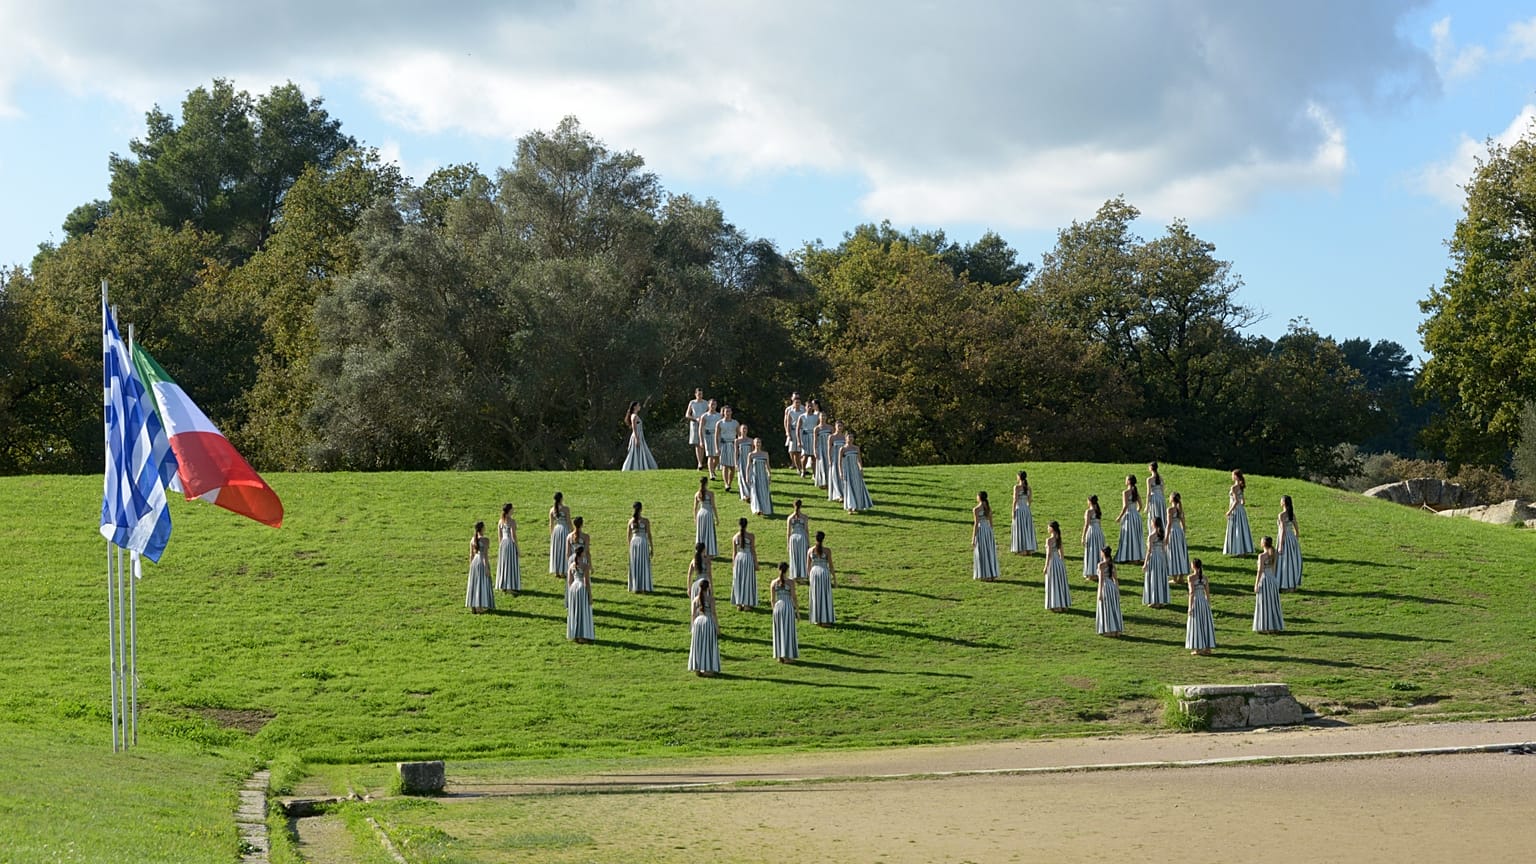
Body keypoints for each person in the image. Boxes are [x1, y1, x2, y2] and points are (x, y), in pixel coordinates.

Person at [687, 577, 721, 676]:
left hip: (698, 622)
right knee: (708, 644)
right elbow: (714, 613)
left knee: (698, 644)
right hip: (708, 621)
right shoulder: (711, 599)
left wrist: (693, 626)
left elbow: (693, 614)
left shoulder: (695, 600)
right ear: (708, 587)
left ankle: (697, 667)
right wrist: (717, 628)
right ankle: (707, 669)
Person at [1252, 536, 1284, 634]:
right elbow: (1274, 568)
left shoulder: (1262, 556)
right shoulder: (1274, 554)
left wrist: (1256, 584)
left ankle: (1266, 626)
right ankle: (1274, 626)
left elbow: (1260, 571)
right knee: (1273, 603)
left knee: (1264, 603)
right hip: (1272, 579)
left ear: (1263, 544)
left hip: (1265, 579)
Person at [1185, 558, 1216, 655]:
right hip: (1204, 602)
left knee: (1197, 623)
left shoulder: (1191, 578)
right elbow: (1207, 593)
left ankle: (1198, 648)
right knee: (1205, 623)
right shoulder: (1205, 578)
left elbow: (1191, 593)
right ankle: (1207, 648)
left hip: (1196, 602)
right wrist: (1208, 604)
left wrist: (1190, 607)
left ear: (1193, 566)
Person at [770, 562, 799, 662]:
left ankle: (780, 656)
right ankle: (786, 656)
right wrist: (797, 611)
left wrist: (774, 610)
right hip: (787, 606)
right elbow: (794, 597)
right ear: (787, 570)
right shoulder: (790, 582)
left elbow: (772, 600)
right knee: (787, 630)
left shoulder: (773, 583)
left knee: (779, 630)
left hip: (777, 607)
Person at [566, 543, 594, 643]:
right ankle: (582, 635)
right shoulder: (585, 566)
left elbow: (569, 581)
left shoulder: (571, 566)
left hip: (573, 588)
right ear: (582, 554)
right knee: (582, 611)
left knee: (575, 611)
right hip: (581, 588)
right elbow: (587, 582)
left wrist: (570, 593)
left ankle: (575, 634)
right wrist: (590, 595)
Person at [839, 431, 873, 513]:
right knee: (849, 488)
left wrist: (861, 468)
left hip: (855, 470)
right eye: (849, 437)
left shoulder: (856, 448)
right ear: (845, 438)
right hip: (847, 470)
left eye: (852, 437)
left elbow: (859, 460)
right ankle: (849, 508)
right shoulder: (842, 449)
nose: (850, 439)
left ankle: (856, 506)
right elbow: (839, 462)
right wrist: (840, 472)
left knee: (857, 487)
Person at [1115, 474, 1145, 564]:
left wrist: (1119, 517)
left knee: (1129, 536)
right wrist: (1136, 512)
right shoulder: (1136, 492)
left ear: (1128, 481)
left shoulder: (1126, 492)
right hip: (1136, 516)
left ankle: (1130, 557)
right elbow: (1140, 505)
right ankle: (1136, 557)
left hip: (1129, 516)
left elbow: (1125, 506)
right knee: (1136, 536)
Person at [808, 531, 836, 626]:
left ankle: (817, 619)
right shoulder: (827, 550)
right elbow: (831, 566)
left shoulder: (810, 550)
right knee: (825, 595)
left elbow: (808, 567)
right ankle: (825, 620)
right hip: (824, 572)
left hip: (814, 573)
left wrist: (810, 577)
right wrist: (835, 579)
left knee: (815, 595)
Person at [1275, 495, 1303, 591]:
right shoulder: (1292, 514)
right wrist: (1295, 539)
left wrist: (1280, 545)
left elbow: (1282, 530)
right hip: (1291, 539)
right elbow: (1297, 530)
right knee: (1292, 561)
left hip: (1285, 538)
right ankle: (1292, 585)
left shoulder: (1281, 515)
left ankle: (1285, 585)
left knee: (1284, 562)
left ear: (1284, 502)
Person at [1224, 469, 1255, 556]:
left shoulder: (1233, 487)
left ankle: (1238, 550)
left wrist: (1229, 511)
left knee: (1237, 529)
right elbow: (1243, 501)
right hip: (1241, 510)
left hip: (1236, 510)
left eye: (1233, 475)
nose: (1232, 476)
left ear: (1236, 477)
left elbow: (1236, 501)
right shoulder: (1241, 486)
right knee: (1242, 529)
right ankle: (1243, 550)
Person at [1142, 516, 1171, 608]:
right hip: (1161, 557)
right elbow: (1164, 549)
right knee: (1160, 578)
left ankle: (1155, 601)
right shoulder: (1162, 534)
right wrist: (1166, 560)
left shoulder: (1151, 536)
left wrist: (1145, 563)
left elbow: (1149, 551)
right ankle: (1161, 600)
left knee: (1154, 578)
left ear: (1153, 524)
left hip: (1154, 558)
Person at [621, 401, 658, 471]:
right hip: (637, 436)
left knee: (640, 451)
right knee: (634, 452)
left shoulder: (635, 415)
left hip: (640, 436)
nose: (639, 407)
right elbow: (634, 427)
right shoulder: (634, 416)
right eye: (638, 405)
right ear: (635, 407)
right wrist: (636, 438)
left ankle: (641, 466)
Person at [466, 521, 494, 613]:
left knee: (475, 583)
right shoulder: (485, 540)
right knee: (481, 583)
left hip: (474, 562)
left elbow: (471, 555)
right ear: (482, 528)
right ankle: (479, 607)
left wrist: (471, 566)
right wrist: (486, 568)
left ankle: (474, 606)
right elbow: (485, 555)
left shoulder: (472, 539)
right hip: (481, 562)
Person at [972, 491, 1000, 581]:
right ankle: (992, 574)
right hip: (988, 530)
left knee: (982, 552)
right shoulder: (988, 508)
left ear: (979, 497)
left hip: (981, 531)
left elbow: (976, 524)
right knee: (989, 552)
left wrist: (973, 538)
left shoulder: (976, 509)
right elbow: (991, 523)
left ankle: (985, 575)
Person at [1043, 520, 1071, 611]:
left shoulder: (1049, 540)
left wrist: (1046, 566)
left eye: (1048, 527)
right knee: (1060, 582)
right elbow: (1062, 552)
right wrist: (1061, 562)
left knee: (1053, 583)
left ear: (1052, 528)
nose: (1047, 528)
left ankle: (1056, 605)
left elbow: (1049, 554)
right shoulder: (1058, 538)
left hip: (1052, 562)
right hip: (1059, 562)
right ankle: (1063, 605)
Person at [731, 518, 758, 610]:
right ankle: (746, 604)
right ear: (746, 525)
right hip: (748, 558)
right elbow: (753, 551)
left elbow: (734, 553)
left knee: (738, 579)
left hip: (738, 558)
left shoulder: (735, 537)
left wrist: (733, 564)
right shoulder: (751, 536)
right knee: (747, 580)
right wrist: (756, 563)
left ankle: (739, 603)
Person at [1095, 546, 1123, 637]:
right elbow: (1116, 579)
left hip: (1105, 587)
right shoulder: (1112, 564)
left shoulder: (1101, 565)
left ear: (1103, 553)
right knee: (1113, 607)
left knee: (1106, 608)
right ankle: (1116, 631)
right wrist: (1117, 591)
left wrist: (1099, 593)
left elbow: (1101, 580)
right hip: (1112, 587)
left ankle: (1109, 631)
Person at [627, 501, 653, 593]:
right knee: (643, 564)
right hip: (643, 542)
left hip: (634, 543)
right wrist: (652, 547)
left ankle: (635, 586)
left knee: (635, 564)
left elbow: (628, 537)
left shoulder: (630, 521)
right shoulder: (645, 521)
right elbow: (649, 534)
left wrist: (629, 547)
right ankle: (643, 586)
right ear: (641, 509)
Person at [1166, 492, 1191, 584]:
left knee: (1173, 553)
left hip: (1173, 532)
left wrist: (1166, 537)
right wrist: (1182, 533)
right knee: (1181, 553)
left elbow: (1169, 524)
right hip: (1179, 532)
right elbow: (1183, 524)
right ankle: (1181, 577)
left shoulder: (1170, 510)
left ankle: (1175, 577)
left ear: (1172, 499)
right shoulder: (1180, 510)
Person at [1010, 470, 1037, 555]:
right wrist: (1027, 507)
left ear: (1019, 477)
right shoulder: (1028, 488)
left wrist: (1013, 511)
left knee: (1020, 528)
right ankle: (1029, 549)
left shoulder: (1017, 487)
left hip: (1019, 509)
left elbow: (1015, 500)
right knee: (1026, 528)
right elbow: (1030, 500)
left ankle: (1022, 549)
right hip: (1026, 509)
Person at [495, 503, 520, 595]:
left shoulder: (500, 521)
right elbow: (514, 536)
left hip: (503, 544)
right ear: (509, 510)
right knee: (510, 564)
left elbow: (500, 536)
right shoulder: (512, 521)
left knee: (504, 564)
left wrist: (501, 546)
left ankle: (503, 585)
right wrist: (517, 548)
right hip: (510, 543)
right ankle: (509, 587)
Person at [716, 406, 741, 491]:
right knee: (724, 466)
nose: (728, 413)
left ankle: (729, 483)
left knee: (732, 467)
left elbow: (739, 435)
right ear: (723, 413)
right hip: (723, 445)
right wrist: (717, 448)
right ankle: (726, 484)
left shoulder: (735, 423)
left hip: (733, 444)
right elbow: (716, 436)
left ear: (731, 412)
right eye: (726, 411)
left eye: (729, 411)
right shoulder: (719, 423)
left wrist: (739, 446)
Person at [747, 438, 774, 516]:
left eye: (759, 442)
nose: (758, 444)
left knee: (764, 492)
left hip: (763, 475)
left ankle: (765, 508)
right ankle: (757, 508)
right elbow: (748, 466)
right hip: (755, 475)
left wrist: (769, 475)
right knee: (755, 491)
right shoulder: (751, 454)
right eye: (756, 442)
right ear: (754, 444)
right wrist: (747, 476)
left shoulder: (765, 454)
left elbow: (767, 466)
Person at [684, 388, 710, 470]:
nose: (700, 396)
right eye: (698, 394)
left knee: (702, 443)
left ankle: (702, 463)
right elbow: (687, 415)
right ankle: (699, 463)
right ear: (695, 394)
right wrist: (695, 419)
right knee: (697, 444)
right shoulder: (692, 402)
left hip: (704, 424)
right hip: (695, 424)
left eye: (701, 394)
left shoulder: (706, 403)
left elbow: (709, 413)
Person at [698, 398, 723, 480]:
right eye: (711, 404)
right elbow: (700, 429)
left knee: (717, 456)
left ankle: (713, 469)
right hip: (708, 435)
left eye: (714, 404)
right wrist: (701, 441)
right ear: (708, 405)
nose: (713, 406)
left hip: (717, 436)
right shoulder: (704, 416)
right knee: (710, 456)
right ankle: (711, 473)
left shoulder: (719, 416)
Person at [786, 500, 810, 583]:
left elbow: (788, 533)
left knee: (794, 556)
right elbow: (806, 530)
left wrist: (788, 544)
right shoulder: (804, 517)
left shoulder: (790, 518)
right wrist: (808, 542)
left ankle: (794, 574)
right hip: (802, 537)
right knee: (802, 556)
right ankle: (802, 575)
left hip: (793, 538)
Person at [1082, 495, 1106, 579]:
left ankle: (1092, 573)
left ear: (1090, 501)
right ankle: (1097, 572)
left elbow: (1086, 525)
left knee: (1092, 551)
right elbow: (1099, 523)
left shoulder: (1089, 512)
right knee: (1097, 551)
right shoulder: (1098, 510)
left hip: (1092, 532)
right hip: (1099, 532)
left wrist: (1083, 536)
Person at [548, 492, 572, 577]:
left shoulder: (552, 510)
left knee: (557, 549)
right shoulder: (566, 509)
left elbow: (551, 524)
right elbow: (569, 522)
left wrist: (552, 534)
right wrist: (572, 531)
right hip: (564, 529)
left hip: (556, 530)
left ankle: (557, 571)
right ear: (561, 498)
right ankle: (563, 570)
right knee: (564, 549)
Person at [694, 476, 718, 557]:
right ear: (707, 483)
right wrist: (717, 518)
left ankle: (700, 551)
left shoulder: (697, 494)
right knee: (709, 532)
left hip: (700, 514)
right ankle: (709, 551)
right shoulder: (710, 494)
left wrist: (695, 518)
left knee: (701, 532)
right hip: (708, 513)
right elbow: (713, 506)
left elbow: (695, 508)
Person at [783, 393, 806, 476]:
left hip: (802, 430)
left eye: (798, 398)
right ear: (792, 399)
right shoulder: (789, 410)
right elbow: (786, 422)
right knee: (793, 450)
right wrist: (787, 432)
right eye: (795, 398)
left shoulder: (804, 408)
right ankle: (797, 467)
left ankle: (802, 467)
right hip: (792, 431)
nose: (797, 401)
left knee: (801, 451)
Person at [797, 399, 820, 478]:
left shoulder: (816, 417)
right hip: (805, 436)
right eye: (808, 406)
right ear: (805, 407)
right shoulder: (802, 416)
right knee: (805, 455)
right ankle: (803, 471)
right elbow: (798, 429)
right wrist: (799, 441)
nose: (809, 408)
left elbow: (818, 427)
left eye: (811, 406)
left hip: (813, 436)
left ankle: (814, 474)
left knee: (814, 456)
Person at [826, 421, 848, 502]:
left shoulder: (845, 437)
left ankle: (845, 493)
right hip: (835, 458)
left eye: (841, 426)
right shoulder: (831, 437)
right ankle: (838, 494)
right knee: (835, 475)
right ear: (835, 426)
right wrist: (829, 459)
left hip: (843, 459)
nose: (839, 427)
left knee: (843, 476)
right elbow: (829, 448)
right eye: (838, 426)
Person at [812, 412, 834, 488]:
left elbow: (833, 438)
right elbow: (815, 440)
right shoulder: (817, 428)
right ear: (819, 417)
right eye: (822, 416)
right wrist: (815, 450)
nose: (823, 417)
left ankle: (830, 481)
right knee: (821, 464)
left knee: (829, 464)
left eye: (824, 416)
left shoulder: (830, 428)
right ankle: (822, 481)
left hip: (829, 447)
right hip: (821, 448)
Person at [1145, 461, 1167, 534]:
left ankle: (1154, 533)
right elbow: (1163, 490)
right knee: (1161, 515)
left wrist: (1147, 506)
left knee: (1154, 515)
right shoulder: (1161, 478)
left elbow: (1148, 493)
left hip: (1154, 498)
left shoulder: (1149, 479)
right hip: (1161, 498)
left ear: (1151, 468)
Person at [736, 422, 754, 502]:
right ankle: (743, 494)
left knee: (749, 476)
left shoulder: (751, 440)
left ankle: (750, 494)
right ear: (740, 430)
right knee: (741, 476)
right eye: (743, 429)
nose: (744, 430)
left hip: (748, 460)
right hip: (741, 460)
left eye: (745, 429)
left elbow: (753, 451)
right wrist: (736, 462)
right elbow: (736, 452)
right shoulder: (737, 441)